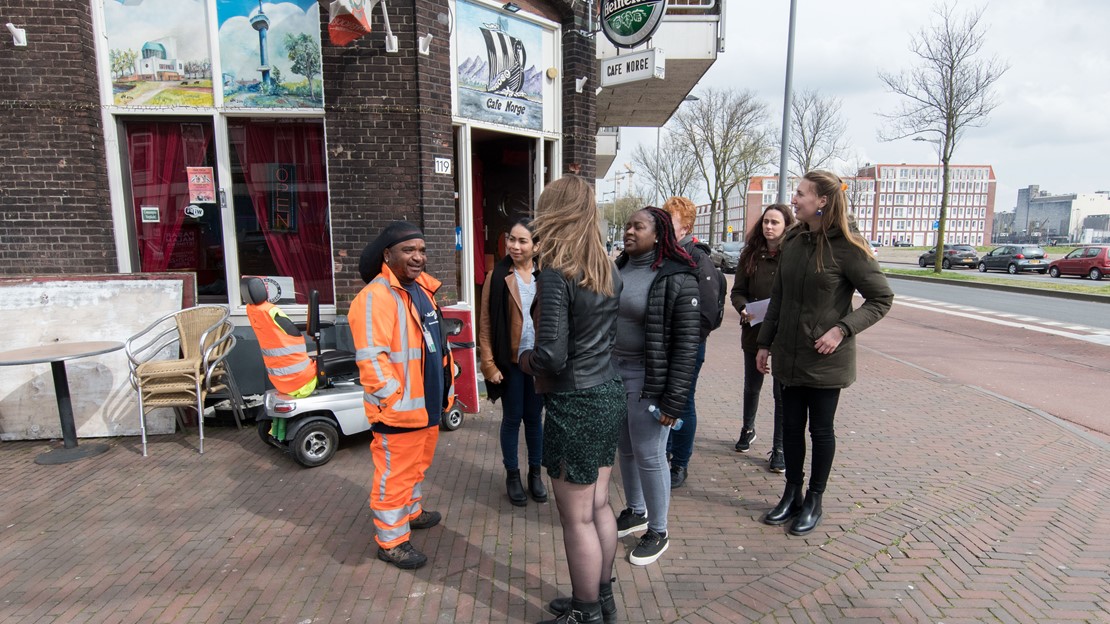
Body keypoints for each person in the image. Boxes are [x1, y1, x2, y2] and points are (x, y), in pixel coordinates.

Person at [756, 171, 894, 536]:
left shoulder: (849, 246)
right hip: (788, 354)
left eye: (801, 194)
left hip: (824, 360)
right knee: (789, 428)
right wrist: (765, 343)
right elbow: (779, 298)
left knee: (820, 430)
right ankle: (792, 494)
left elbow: (881, 299)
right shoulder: (794, 241)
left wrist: (842, 329)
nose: (794, 199)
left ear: (822, 202)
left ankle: (814, 499)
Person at [519, 175, 625, 624]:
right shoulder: (606, 268)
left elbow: (551, 356)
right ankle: (599, 598)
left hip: (576, 401)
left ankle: (585, 612)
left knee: (577, 517)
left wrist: (521, 358)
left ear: (554, 212)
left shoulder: (559, 275)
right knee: (598, 505)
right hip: (606, 392)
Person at [350, 221, 456, 569]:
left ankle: (411, 512)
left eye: (422, 250)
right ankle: (392, 541)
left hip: (426, 407)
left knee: (416, 467)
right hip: (399, 412)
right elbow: (371, 357)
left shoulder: (422, 291)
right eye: (409, 250)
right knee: (393, 477)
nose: (418, 257)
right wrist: (393, 399)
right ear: (387, 254)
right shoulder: (375, 297)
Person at [613, 206, 701, 566]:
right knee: (626, 448)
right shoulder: (617, 268)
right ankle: (636, 511)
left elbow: (686, 345)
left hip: (649, 377)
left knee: (650, 454)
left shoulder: (677, 277)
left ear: (659, 233)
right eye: (627, 226)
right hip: (613, 371)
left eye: (638, 226)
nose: (629, 231)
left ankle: (659, 530)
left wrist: (673, 400)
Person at [478, 217, 546, 507]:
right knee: (512, 418)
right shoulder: (498, 276)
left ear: (537, 246)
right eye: (511, 239)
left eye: (522, 241)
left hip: (539, 363)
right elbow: (485, 324)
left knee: (535, 420)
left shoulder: (547, 276)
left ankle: (535, 474)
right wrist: (488, 364)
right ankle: (513, 475)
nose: (514, 246)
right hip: (511, 362)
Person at [659, 196, 722, 489]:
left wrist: (685, 340)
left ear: (685, 226)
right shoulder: (663, 256)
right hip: (664, 345)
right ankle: (666, 452)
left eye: (669, 221)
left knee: (683, 402)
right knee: (666, 401)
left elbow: (707, 312)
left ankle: (680, 462)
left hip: (687, 347)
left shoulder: (697, 258)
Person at [729, 204, 796, 472]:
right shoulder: (750, 255)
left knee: (781, 393)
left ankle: (779, 447)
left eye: (775, 223)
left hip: (782, 334)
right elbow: (738, 291)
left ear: (786, 227)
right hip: (754, 330)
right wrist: (743, 307)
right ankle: (748, 428)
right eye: (766, 222)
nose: (769, 227)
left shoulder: (792, 256)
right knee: (752, 385)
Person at [242, 276, 318, 442]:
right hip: (302, 377)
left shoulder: (253, 311)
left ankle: (278, 430)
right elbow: (293, 333)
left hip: (280, 378)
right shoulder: (271, 311)